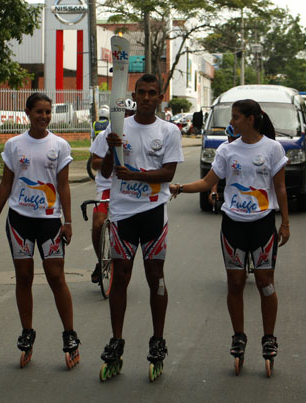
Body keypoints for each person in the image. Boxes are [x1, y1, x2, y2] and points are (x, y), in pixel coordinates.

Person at [169, 99, 289, 375]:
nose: (231, 122)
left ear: (250, 119)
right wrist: (180, 188)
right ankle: (238, 337)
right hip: (233, 225)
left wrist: (285, 223)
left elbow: (280, 188)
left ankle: (269, 338)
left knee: (265, 283)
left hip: (263, 225)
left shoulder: (273, 148)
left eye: (235, 117)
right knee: (235, 283)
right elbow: (207, 182)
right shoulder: (227, 150)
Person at [96, 74, 183, 380]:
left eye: (152, 93)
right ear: (133, 96)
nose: (147, 97)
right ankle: (116, 341)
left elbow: (168, 174)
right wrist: (111, 150)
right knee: (120, 278)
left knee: (155, 277)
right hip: (123, 214)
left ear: (160, 97)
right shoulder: (118, 127)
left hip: (153, 212)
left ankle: (157, 341)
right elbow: (104, 172)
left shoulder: (169, 131)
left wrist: (135, 176)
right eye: (142, 92)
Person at [0, 92, 80, 368]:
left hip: (50, 221)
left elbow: (63, 186)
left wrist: (68, 221)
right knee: (24, 277)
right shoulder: (14, 145)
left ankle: (70, 335)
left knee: (56, 277)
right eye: (39, 111)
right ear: (27, 113)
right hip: (20, 220)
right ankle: (27, 332)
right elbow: (6, 183)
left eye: (48, 112)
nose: (44, 116)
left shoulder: (60, 145)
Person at [90, 100, 137, 283]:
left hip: (129, 188)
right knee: (98, 223)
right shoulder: (105, 135)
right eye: (123, 114)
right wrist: (108, 160)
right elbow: (94, 162)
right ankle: (100, 260)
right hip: (107, 187)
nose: (126, 118)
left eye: (130, 114)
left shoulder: (139, 134)